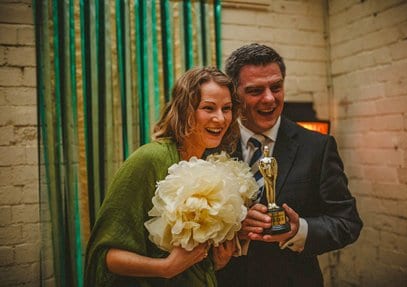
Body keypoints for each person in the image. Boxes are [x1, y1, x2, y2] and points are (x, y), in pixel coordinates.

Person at [215, 43, 363, 286]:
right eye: (255, 90)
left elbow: (347, 222)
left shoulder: (318, 146)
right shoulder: (213, 144)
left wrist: (299, 229)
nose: (269, 98)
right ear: (234, 94)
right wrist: (232, 227)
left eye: (276, 87)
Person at [84, 67, 240, 286]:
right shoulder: (148, 160)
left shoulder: (210, 165)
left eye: (227, 108)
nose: (220, 118)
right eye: (208, 108)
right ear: (185, 110)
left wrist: (216, 261)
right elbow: (106, 257)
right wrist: (165, 268)